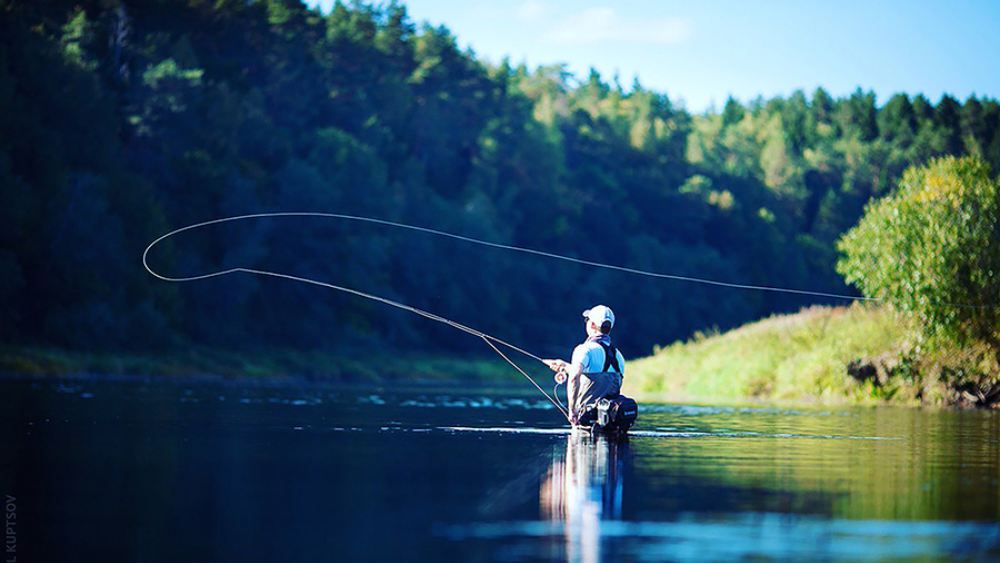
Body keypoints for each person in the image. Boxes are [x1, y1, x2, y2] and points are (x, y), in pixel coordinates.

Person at [545, 305, 625, 425]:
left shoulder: (584, 350)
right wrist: (565, 366)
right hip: (612, 424)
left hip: (586, 423)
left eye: (587, 320)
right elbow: (598, 371)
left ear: (592, 324)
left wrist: (572, 412)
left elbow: (574, 377)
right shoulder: (619, 356)